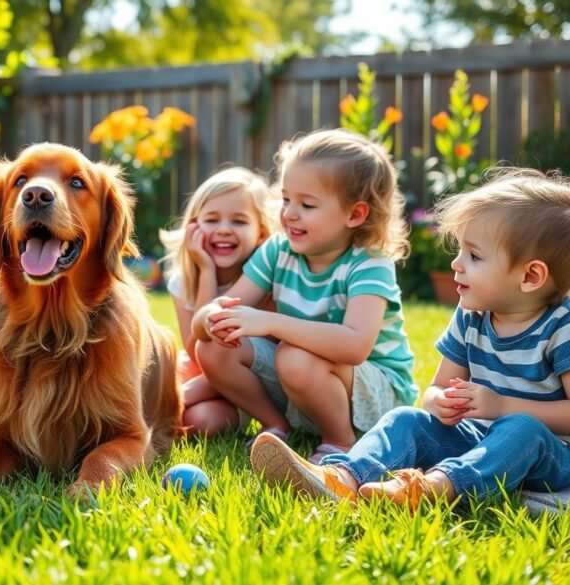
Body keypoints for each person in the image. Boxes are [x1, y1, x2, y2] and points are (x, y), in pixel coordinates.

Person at [251, 169, 570, 508]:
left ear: (531, 276)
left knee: (521, 428)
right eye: (461, 251)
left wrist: (503, 406)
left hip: (550, 456)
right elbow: (434, 391)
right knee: (406, 418)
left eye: (474, 256)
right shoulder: (472, 315)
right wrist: (440, 404)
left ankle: (431, 489)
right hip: (478, 440)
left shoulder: (561, 327)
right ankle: (342, 478)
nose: (456, 263)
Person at [192, 128, 417, 462]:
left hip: (374, 397)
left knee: (293, 355)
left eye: (307, 204)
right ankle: (276, 427)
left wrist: (269, 322)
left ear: (355, 214)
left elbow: (354, 347)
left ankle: (340, 443)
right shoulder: (279, 250)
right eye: (285, 199)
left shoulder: (369, 263)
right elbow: (209, 320)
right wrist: (211, 319)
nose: (289, 214)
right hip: (303, 381)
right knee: (212, 348)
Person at [158, 167, 279, 436]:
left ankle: (167, 404)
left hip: (248, 385)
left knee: (192, 412)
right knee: (198, 420)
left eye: (238, 221)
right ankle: (170, 405)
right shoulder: (183, 281)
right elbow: (195, 350)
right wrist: (207, 273)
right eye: (212, 220)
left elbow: (246, 361)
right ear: (193, 227)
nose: (224, 230)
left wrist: (185, 394)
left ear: (261, 233)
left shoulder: (263, 282)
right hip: (208, 377)